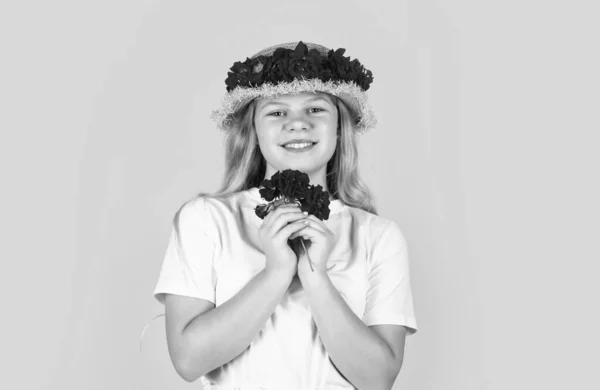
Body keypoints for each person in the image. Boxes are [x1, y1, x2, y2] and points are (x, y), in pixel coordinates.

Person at [146, 41, 418, 390]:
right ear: (253, 131)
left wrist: (315, 276)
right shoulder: (206, 219)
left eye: (316, 109)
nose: (298, 124)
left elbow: (378, 378)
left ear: (339, 127)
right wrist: (276, 272)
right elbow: (188, 360)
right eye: (277, 112)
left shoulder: (378, 235)